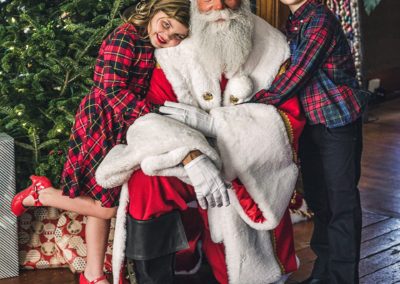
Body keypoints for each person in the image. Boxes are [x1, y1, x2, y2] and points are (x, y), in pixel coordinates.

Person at [95, 0, 305, 283]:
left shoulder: (274, 48)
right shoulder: (173, 46)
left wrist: (216, 125)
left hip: (245, 166)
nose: (218, 6)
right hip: (186, 159)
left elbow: (287, 121)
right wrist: (191, 156)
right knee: (146, 180)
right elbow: (148, 120)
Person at [10, 1, 190, 283]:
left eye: (178, 35)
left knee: (101, 196)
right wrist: (151, 116)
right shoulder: (126, 36)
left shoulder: (151, 44)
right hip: (100, 122)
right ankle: (42, 194)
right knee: (107, 206)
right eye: (166, 25)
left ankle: (93, 275)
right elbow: (111, 88)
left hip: (121, 125)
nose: (167, 36)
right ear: (155, 11)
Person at [251, 0, 369, 283]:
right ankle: (325, 270)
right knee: (320, 202)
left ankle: (342, 278)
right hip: (308, 124)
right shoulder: (291, 25)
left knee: (341, 203)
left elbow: (297, 74)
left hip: (336, 120)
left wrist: (252, 104)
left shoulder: (320, 20)